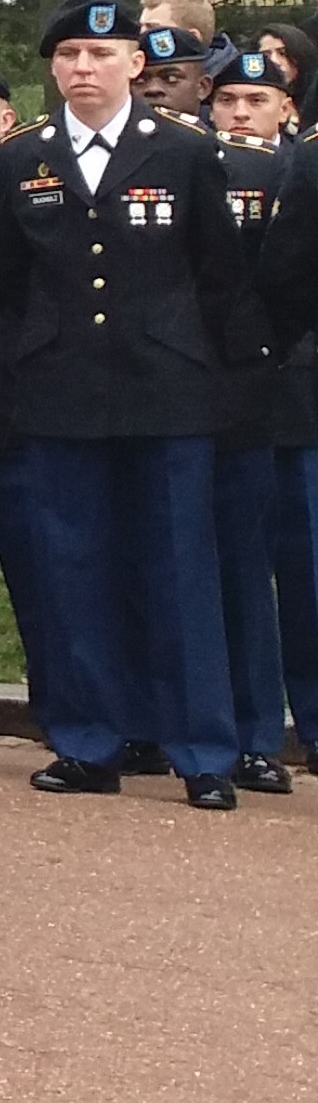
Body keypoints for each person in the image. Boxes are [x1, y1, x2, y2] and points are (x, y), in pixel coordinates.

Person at [0, 0, 266, 807]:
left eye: (100, 55)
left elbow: (219, 276)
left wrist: (229, 387)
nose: (82, 68)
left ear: (137, 64)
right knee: (73, 572)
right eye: (67, 56)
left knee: (179, 573)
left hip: (168, 390)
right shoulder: (24, 157)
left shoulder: (184, 151)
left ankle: (202, 750)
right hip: (60, 389)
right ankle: (88, 740)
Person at [206, 48, 305, 794]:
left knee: (293, 572)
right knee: (224, 563)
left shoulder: (291, 170)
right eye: (229, 98)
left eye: (257, 99)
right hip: (210, 390)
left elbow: (289, 280)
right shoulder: (201, 165)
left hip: (288, 389)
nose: (241, 112)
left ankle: (278, 727)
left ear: (286, 108)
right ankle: (235, 724)